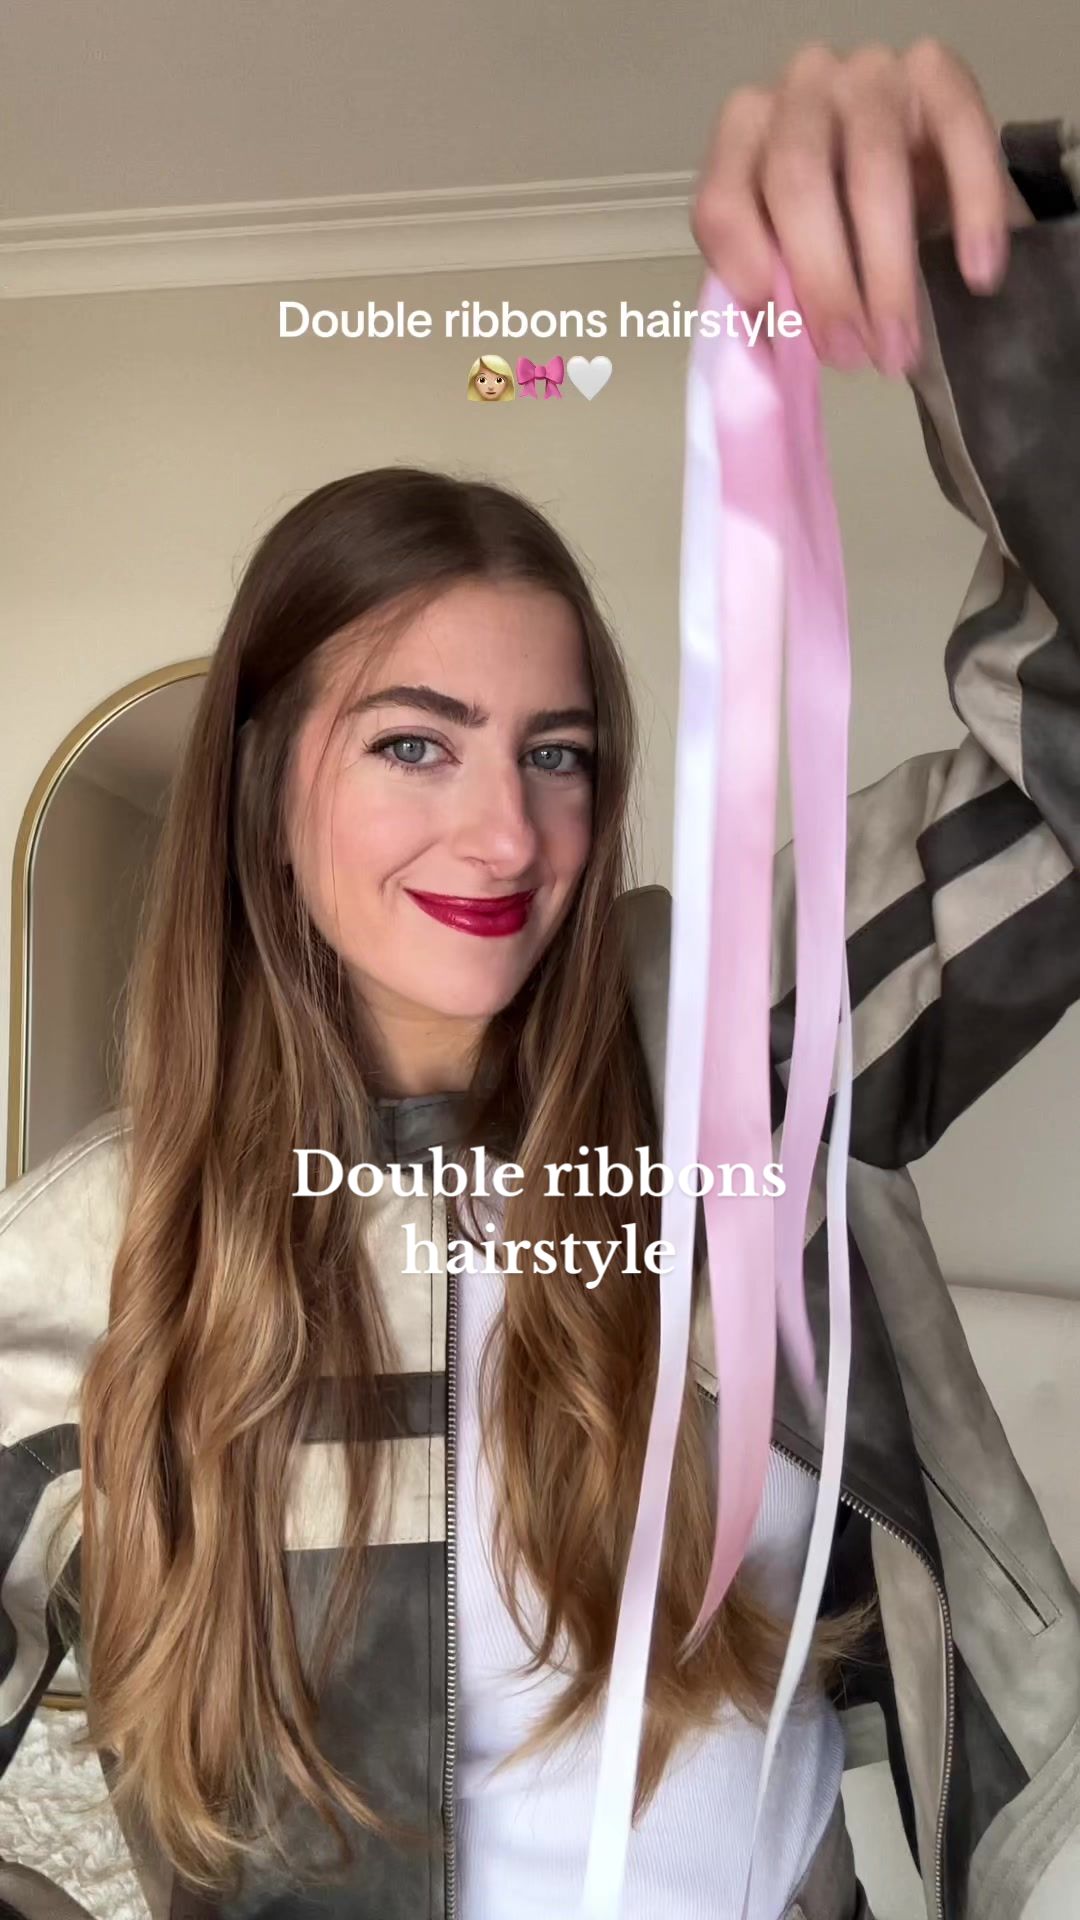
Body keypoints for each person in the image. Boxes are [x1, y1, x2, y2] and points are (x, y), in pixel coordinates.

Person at [1, 36, 1079, 1920]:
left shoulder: (740, 1048)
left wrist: (994, 277)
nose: (506, 835)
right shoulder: (80, 1262)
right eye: (414, 743)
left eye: (557, 753)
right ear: (265, 794)